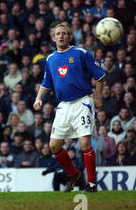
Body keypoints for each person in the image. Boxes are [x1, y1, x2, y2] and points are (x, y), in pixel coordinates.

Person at [33, 21, 105, 193]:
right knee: (54, 146)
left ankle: (92, 184)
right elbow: (46, 83)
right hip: (63, 105)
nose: (61, 36)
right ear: (53, 37)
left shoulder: (81, 53)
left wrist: (97, 96)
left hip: (82, 102)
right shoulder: (50, 59)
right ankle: (75, 175)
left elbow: (100, 76)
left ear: (70, 36)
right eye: (58, 34)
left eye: (64, 33)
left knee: (85, 142)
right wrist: (38, 98)